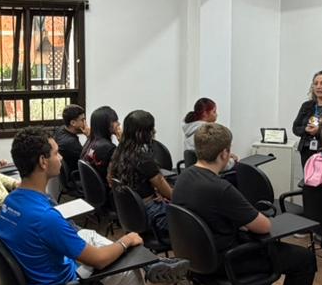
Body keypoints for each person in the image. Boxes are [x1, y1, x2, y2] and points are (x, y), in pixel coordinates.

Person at [0, 128, 186, 285]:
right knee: (132, 277)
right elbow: (97, 260)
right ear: (43, 162)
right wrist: (125, 241)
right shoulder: (44, 218)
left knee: (86, 234)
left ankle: (149, 263)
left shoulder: (12, 200)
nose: (61, 158)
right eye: (56, 153)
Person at [173, 123, 322, 285]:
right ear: (224, 153)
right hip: (226, 264)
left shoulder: (184, 177)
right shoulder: (221, 189)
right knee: (304, 259)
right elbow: (263, 225)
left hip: (197, 260)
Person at [108, 109, 175, 241]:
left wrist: (154, 193)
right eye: (151, 129)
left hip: (131, 213)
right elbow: (169, 194)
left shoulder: (119, 151)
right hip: (151, 215)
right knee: (192, 218)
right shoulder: (143, 158)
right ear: (142, 133)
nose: (154, 131)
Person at [182, 98, 237, 171]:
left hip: (194, 173)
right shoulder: (207, 133)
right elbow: (216, 165)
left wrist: (227, 157)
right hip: (209, 173)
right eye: (214, 112)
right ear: (205, 113)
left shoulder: (191, 129)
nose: (217, 115)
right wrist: (232, 161)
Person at [80, 105, 120, 184]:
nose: (119, 123)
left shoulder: (90, 141)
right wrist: (122, 142)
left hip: (92, 188)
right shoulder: (108, 148)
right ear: (107, 124)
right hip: (107, 188)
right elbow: (121, 171)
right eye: (115, 121)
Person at [53, 104, 88, 189]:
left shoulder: (61, 130)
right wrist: (89, 137)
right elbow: (87, 160)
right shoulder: (70, 143)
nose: (85, 122)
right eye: (82, 120)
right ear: (73, 123)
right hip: (77, 177)